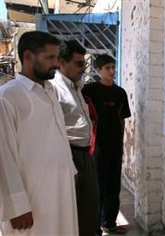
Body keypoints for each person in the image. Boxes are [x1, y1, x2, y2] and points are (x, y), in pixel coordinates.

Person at [0, 31, 78, 235]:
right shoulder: (8, 97)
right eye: (50, 57)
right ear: (28, 57)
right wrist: (16, 207)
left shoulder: (49, 90)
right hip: (32, 201)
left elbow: (58, 135)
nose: (56, 63)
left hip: (60, 190)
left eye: (57, 57)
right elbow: (3, 156)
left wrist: (71, 169)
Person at [50, 40, 99, 236]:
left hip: (85, 154)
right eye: (79, 64)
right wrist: (69, 165)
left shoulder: (77, 85)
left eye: (84, 64)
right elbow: (54, 132)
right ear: (62, 62)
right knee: (73, 213)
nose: (83, 68)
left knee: (89, 208)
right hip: (69, 155)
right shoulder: (53, 88)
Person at [82, 54, 131, 235]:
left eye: (113, 67)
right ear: (97, 70)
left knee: (113, 187)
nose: (111, 71)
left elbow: (122, 120)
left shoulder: (120, 93)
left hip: (115, 147)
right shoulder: (89, 91)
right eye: (107, 68)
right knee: (98, 189)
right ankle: (94, 228)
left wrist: (122, 143)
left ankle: (109, 223)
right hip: (96, 148)